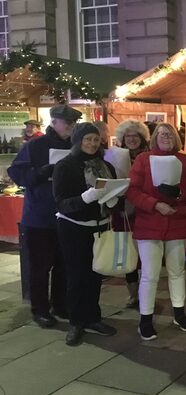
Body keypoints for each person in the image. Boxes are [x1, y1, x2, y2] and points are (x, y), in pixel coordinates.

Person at [8, 104, 81, 329]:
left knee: (64, 265)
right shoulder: (36, 145)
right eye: (66, 123)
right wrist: (41, 173)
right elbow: (16, 173)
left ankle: (60, 304)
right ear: (54, 122)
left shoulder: (76, 146)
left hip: (67, 215)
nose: (69, 126)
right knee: (40, 267)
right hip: (40, 216)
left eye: (72, 123)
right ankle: (40, 309)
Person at [127, 122, 186, 341]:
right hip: (150, 222)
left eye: (170, 134)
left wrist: (179, 193)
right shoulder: (143, 159)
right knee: (150, 274)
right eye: (161, 134)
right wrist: (155, 204)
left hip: (176, 221)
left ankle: (179, 313)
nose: (166, 136)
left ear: (176, 138)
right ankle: (145, 320)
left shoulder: (184, 160)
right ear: (154, 138)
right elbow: (132, 190)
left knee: (177, 271)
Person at [53, 122, 118, 346]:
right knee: (77, 276)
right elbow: (62, 203)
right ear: (78, 140)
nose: (91, 143)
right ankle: (76, 322)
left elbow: (113, 194)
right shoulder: (66, 166)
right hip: (73, 227)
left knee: (95, 275)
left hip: (99, 226)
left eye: (95, 139)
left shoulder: (105, 165)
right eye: (87, 139)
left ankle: (93, 317)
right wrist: (87, 197)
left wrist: (114, 198)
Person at [114, 119, 151, 308]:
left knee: (145, 253)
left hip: (144, 209)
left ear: (141, 137)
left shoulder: (149, 155)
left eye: (135, 135)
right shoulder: (115, 156)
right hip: (122, 210)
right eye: (127, 136)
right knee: (126, 252)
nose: (131, 139)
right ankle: (132, 294)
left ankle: (146, 291)